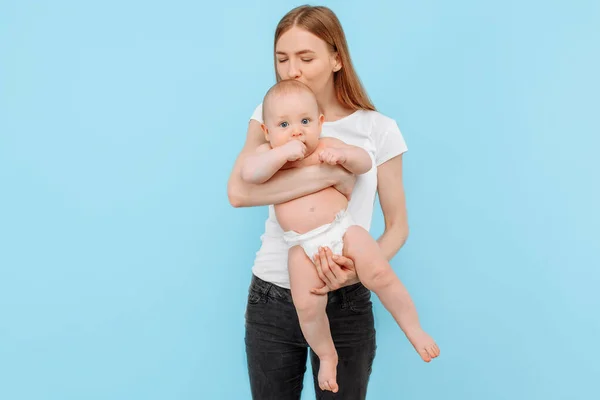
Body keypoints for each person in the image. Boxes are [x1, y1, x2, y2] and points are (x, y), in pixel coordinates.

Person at [227, 5, 438, 399]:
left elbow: (398, 227)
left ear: (336, 58)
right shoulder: (270, 115)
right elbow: (239, 192)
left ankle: (413, 327)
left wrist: (356, 273)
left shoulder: (377, 129)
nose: (293, 70)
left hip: (346, 295)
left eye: (306, 58)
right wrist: (325, 176)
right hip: (273, 292)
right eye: (282, 58)